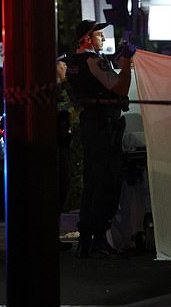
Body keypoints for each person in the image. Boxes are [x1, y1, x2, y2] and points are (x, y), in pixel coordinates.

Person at [66, 20, 136, 258]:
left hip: (90, 125)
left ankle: (86, 239)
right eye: (99, 35)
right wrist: (126, 61)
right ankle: (97, 240)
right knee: (106, 181)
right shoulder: (94, 60)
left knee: (91, 182)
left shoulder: (72, 62)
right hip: (105, 128)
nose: (104, 40)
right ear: (87, 38)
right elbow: (120, 88)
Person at [56, 56, 78, 252]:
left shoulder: (61, 88)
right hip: (55, 145)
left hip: (61, 144)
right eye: (63, 64)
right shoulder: (56, 90)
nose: (66, 67)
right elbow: (70, 111)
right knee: (57, 188)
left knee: (61, 189)